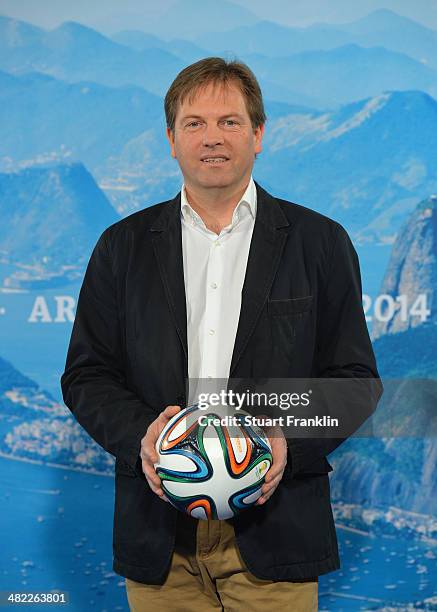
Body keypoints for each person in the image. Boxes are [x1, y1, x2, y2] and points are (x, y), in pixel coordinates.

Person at [60, 57, 383, 611]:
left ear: (259, 134)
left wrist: (286, 439)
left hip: (277, 537)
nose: (213, 138)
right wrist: (146, 435)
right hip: (159, 542)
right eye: (195, 123)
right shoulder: (122, 247)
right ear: (171, 139)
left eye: (230, 122)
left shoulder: (321, 242)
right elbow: (87, 374)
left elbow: (356, 381)